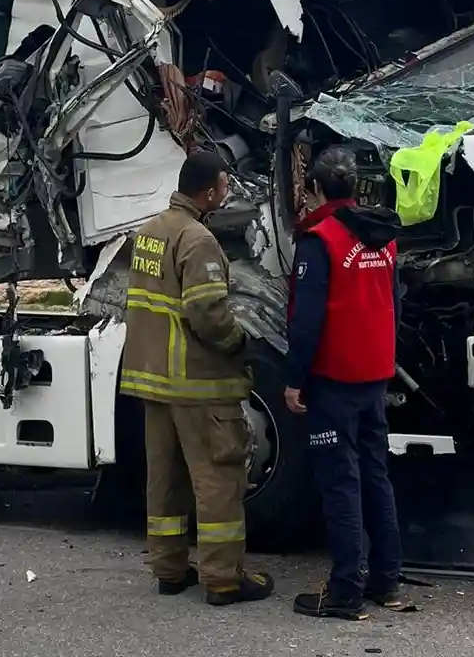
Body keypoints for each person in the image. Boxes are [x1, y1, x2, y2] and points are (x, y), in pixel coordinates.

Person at [119, 148, 275, 607]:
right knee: (218, 481)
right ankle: (224, 579)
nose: (227, 193)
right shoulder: (198, 239)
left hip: (153, 379)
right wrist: (238, 343)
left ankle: (169, 570)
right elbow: (206, 312)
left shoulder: (149, 232)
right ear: (208, 192)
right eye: (225, 186)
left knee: (164, 478)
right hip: (195, 382)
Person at [284, 145, 407, 620]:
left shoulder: (320, 240)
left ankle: (343, 592)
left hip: (334, 378)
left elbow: (306, 318)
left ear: (314, 187)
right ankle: (386, 580)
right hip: (375, 374)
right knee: (375, 474)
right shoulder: (384, 237)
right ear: (356, 187)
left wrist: (295, 378)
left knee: (341, 482)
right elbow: (394, 304)